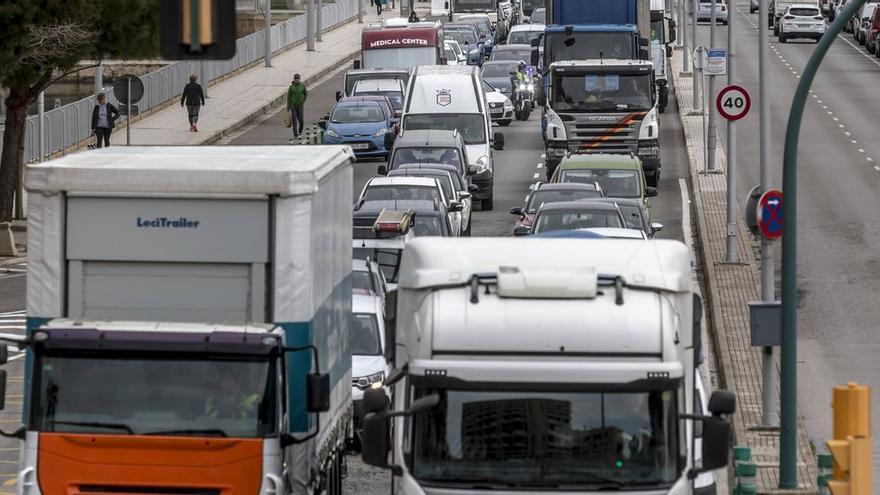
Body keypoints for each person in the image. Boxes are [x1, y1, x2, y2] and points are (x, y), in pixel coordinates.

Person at [286, 74, 308, 143]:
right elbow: (288, 98)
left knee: (301, 121)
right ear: (294, 79)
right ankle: (295, 134)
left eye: (297, 78)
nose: (296, 80)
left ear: (300, 79)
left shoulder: (302, 86)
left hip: (300, 106)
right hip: (293, 106)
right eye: (295, 79)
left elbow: (306, 94)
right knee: (294, 121)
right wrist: (287, 108)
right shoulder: (291, 87)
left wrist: (303, 101)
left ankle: (300, 132)